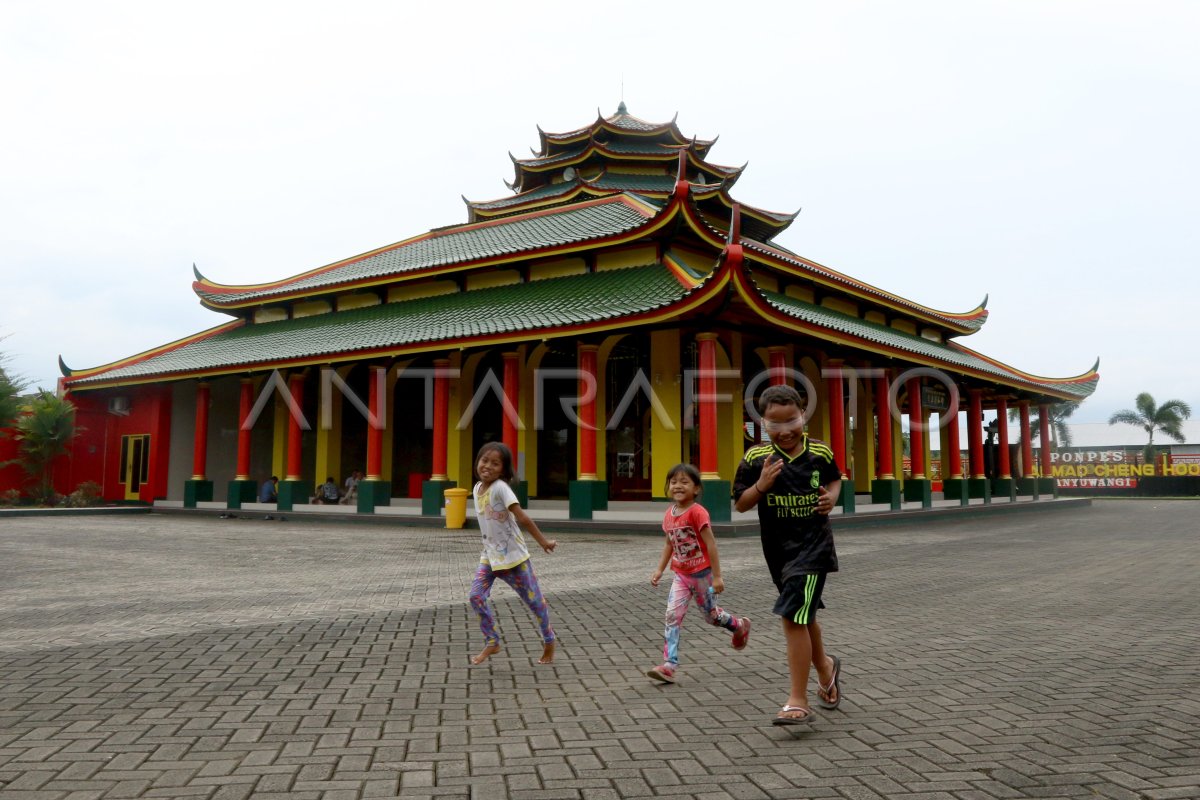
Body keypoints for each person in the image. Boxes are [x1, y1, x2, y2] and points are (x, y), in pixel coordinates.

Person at [734, 384, 843, 726]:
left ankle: (798, 699)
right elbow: (740, 504)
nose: (785, 430)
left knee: (792, 615)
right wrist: (762, 484)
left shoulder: (820, 453)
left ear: (803, 415)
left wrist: (832, 498)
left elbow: (835, 479)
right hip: (778, 552)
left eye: (791, 420)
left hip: (814, 547)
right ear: (763, 424)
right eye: (775, 424)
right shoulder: (755, 459)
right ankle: (826, 668)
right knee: (803, 615)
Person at [647, 463, 750, 684]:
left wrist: (718, 576)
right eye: (673, 482)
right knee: (672, 615)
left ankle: (738, 625)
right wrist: (659, 569)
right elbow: (669, 544)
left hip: (703, 575)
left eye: (684, 482)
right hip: (681, 575)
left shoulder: (697, 512)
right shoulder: (668, 515)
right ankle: (669, 665)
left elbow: (711, 544)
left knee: (711, 616)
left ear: (696, 489)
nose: (678, 486)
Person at [467, 441, 558, 666]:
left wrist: (543, 542)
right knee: (476, 596)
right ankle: (492, 641)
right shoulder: (478, 488)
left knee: (535, 603)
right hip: (490, 557)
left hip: (515, 559)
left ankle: (549, 641)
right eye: (484, 461)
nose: (487, 466)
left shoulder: (501, 488)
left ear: (504, 470)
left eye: (495, 463)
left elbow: (522, 518)